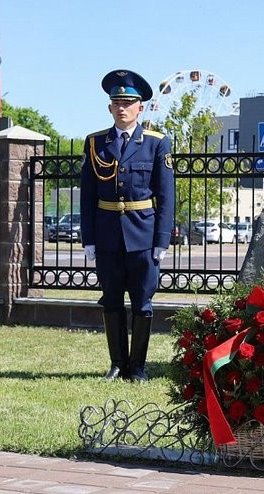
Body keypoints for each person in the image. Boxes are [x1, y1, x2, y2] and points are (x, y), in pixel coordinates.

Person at [80, 69, 175, 382]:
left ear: (140, 108)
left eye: (128, 103)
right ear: (109, 107)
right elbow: (88, 195)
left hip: (143, 236)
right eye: (117, 103)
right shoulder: (95, 143)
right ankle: (117, 363)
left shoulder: (156, 143)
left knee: (142, 303)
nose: (122, 108)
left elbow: (166, 196)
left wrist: (162, 240)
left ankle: (138, 366)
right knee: (111, 300)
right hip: (108, 235)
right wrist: (89, 239)